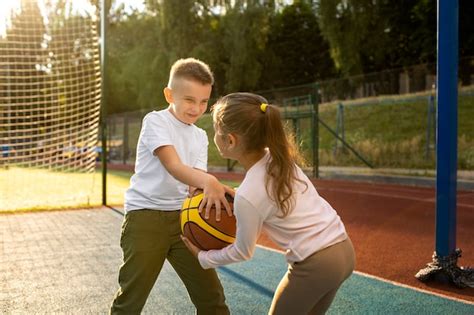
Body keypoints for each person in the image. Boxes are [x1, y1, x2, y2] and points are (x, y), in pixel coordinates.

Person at [182, 92, 355, 315]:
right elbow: (265, 197)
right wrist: (233, 193)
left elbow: (242, 251)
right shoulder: (279, 157)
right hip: (344, 250)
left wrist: (203, 257)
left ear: (231, 140)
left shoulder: (249, 194)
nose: (214, 135)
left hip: (316, 264)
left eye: (217, 130)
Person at [110, 58, 233, 315]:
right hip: (145, 218)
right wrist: (210, 181)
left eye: (203, 101)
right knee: (131, 300)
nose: (197, 108)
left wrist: (220, 197)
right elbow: (174, 166)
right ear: (169, 95)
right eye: (189, 100)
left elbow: (194, 186)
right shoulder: (155, 121)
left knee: (212, 298)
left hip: (184, 221)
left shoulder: (200, 136)